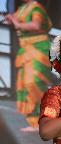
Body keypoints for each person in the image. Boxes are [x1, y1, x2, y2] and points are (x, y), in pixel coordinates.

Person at [4, 0, 52, 131]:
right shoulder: (23, 8)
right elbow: (17, 23)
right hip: (26, 48)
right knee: (25, 84)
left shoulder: (36, 7)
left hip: (39, 47)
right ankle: (35, 122)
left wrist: (17, 23)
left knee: (34, 83)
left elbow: (35, 25)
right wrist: (11, 19)